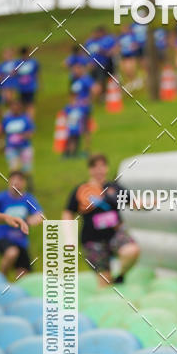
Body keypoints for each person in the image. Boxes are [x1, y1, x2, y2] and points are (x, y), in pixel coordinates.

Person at [62, 153, 140, 286]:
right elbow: (68, 213)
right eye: (95, 167)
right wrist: (69, 235)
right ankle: (108, 280)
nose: (99, 170)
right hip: (92, 240)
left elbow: (133, 203)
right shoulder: (81, 190)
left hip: (115, 234)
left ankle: (120, 274)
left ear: (107, 168)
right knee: (105, 282)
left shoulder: (114, 188)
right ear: (90, 170)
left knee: (132, 250)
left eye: (102, 166)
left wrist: (147, 203)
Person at [0, 171, 42, 279]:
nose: (16, 183)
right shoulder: (0, 198)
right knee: (12, 252)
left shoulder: (28, 199)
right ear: (9, 182)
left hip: (20, 240)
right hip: (2, 237)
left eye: (20, 180)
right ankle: (1, 280)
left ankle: (17, 293)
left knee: (24, 275)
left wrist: (29, 221)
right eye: (13, 180)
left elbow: (39, 215)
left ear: (24, 183)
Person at [0, 98, 34, 176]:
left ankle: (28, 185)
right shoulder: (7, 119)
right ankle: (14, 186)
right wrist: (1, 143)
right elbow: (2, 132)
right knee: (14, 169)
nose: (14, 108)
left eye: (16, 106)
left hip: (24, 147)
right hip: (11, 148)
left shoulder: (25, 118)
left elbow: (31, 132)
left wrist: (22, 136)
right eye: (13, 106)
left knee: (26, 170)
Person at [63, 93, 90, 158]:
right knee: (71, 140)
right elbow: (65, 116)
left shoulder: (80, 107)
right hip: (71, 127)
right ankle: (70, 153)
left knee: (76, 140)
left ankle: (75, 152)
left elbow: (84, 114)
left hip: (78, 127)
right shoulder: (68, 107)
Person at [16, 47, 40, 119]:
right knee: (22, 104)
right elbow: (15, 74)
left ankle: (30, 120)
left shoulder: (34, 62)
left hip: (30, 87)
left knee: (30, 104)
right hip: (21, 88)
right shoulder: (18, 63)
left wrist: (38, 84)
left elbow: (36, 74)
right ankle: (24, 118)